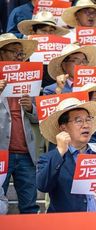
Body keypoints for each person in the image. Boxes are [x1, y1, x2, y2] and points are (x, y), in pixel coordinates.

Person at [36, 98, 96, 212]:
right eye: (78, 121)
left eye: (88, 120)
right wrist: (60, 152)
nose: (85, 125)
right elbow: (42, 185)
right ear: (63, 127)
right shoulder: (50, 158)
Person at [0, 33, 39, 213]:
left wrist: (31, 108)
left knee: (30, 207)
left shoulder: (30, 79)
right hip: (2, 154)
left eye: (21, 53)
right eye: (14, 52)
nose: (19, 56)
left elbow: (42, 117)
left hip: (26, 154)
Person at [17, 11, 70, 89]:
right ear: (34, 32)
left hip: (55, 90)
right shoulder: (24, 53)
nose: (48, 34)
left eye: (51, 31)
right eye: (44, 30)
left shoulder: (63, 50)